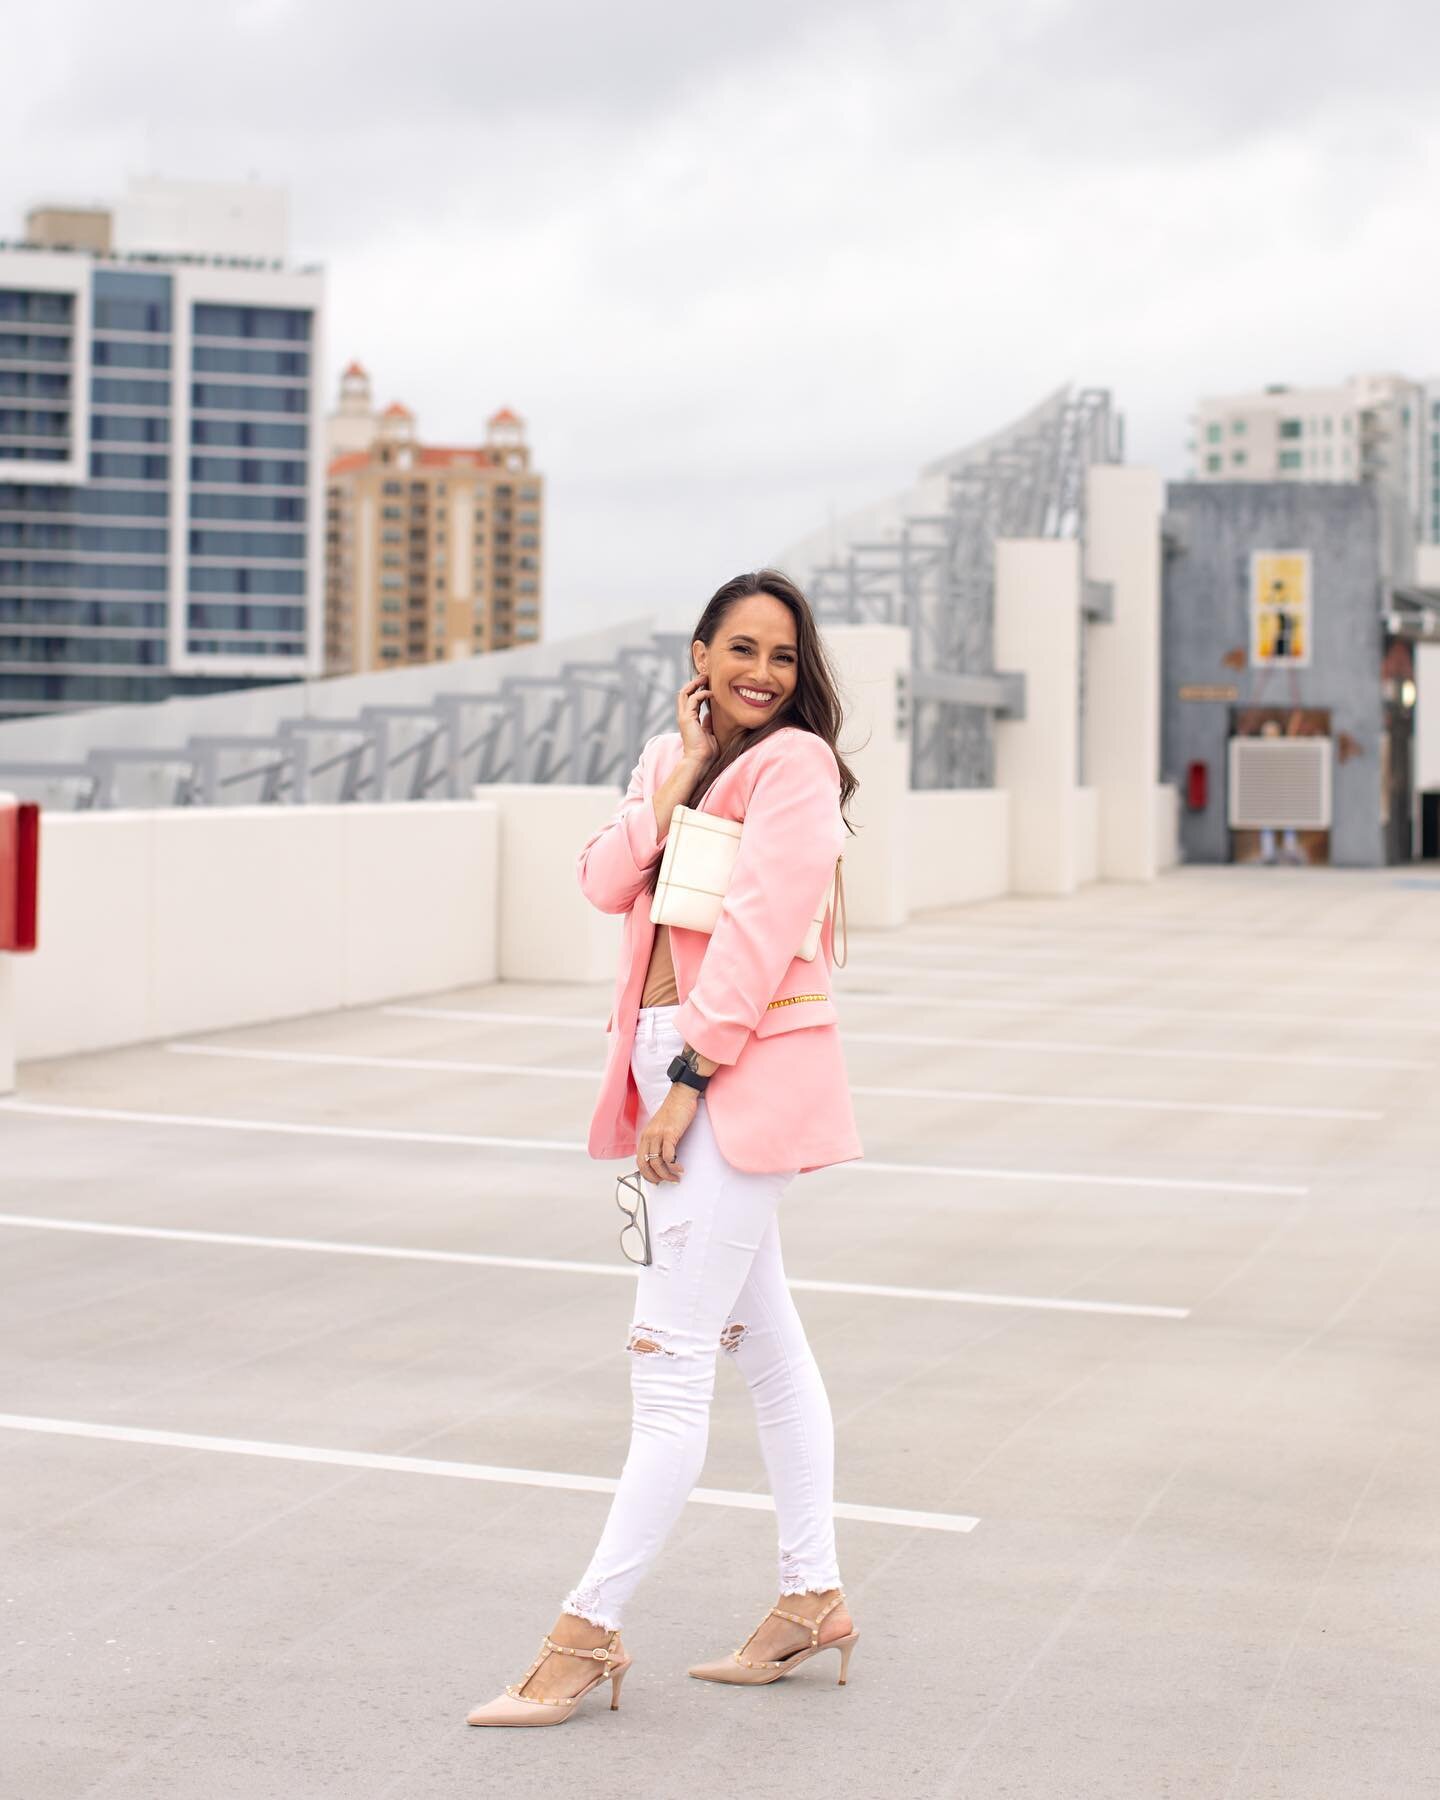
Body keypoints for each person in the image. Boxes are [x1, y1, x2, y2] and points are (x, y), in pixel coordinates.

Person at [467, 570, 865, 1728]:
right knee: (766, 1344)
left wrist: (691, 1074)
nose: (761, 673)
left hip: (724, 1077)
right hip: (664, 1062)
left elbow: (760, 926)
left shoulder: (794, 768)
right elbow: (603, 880)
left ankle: (586, 1633)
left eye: (783, 657)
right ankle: (812, 1597)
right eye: (740, 648)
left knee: (670, 1359)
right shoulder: (675, 757)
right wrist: (683, 773)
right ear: (701, 655)